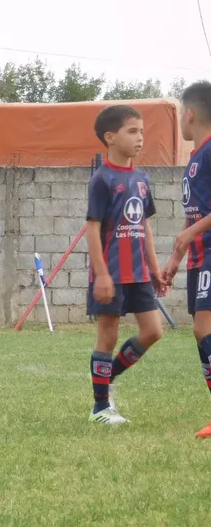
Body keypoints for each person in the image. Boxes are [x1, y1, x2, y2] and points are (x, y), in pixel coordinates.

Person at [85, 105, 164, 425]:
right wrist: (102, 274)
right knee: (108, 335)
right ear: (110, 137)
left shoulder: (142, 179)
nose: (140, 138)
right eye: (133, 131)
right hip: (111, 274)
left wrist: (155, 268)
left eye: (142, 131)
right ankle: (100, 407)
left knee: (153, 331)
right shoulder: (102, 179)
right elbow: (92, 228)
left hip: (139, 273)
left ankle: (107, 380)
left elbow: (143, 226)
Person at [163, 81, 211, 438]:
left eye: (181, 112)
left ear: (190, 114)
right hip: (197, 256)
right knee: (202, 329)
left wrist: (192, 235)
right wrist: (176, 258)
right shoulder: (195, 158)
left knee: (202, 328)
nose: (181, 118)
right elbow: (193, 214)